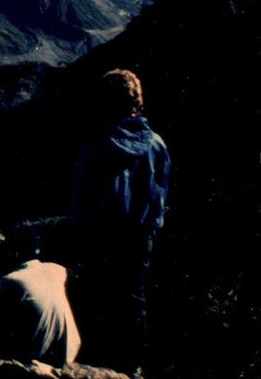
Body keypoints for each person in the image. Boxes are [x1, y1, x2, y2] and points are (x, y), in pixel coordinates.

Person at [69, 68, 170, 374]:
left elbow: (81, 196)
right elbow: (160, 196)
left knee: (95, 303)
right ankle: (132, 365)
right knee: (133, 301)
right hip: (140, 237)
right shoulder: (157, 145)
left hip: (100, 237)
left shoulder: (96, 143)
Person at [0, 230, 81, 366]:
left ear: (13, 253)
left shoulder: (10, 280)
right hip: (68, 351)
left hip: (37, 358)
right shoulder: (57, 270)